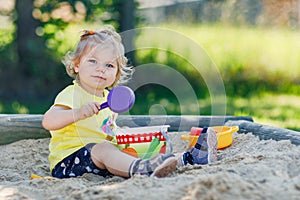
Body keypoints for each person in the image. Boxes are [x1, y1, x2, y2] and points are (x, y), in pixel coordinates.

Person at [42, 25, 217, 179]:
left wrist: (119, 133)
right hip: (69, 162)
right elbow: (48, 121)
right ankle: (141, 170)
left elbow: (103, 130)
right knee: (104, 149)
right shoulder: (72, 94)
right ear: (77, 65)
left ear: (116, 74)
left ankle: (187, 159)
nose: (100, 69)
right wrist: (78, 113)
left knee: (133, 147)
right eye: (93, 61)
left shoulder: (107, 98)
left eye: (109, 65)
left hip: (99, 159)